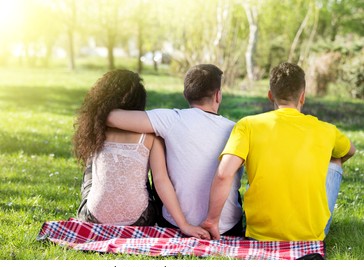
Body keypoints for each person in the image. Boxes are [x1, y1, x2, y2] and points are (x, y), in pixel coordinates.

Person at [201, 62, 356, 241]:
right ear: (302, 97)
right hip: (310, 236)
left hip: (259, 235)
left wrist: (212, 220)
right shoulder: (327, 130)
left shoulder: (248, 125)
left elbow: (223, 174)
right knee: (335, 159)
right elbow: (350, 151)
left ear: (270, 95)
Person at [107, 64, 244, 237]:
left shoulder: (170, 119)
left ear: (186, 95)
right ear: (218, 95)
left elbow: (110, 118)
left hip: (175, 226)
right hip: (228, 228)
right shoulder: (236, 129)